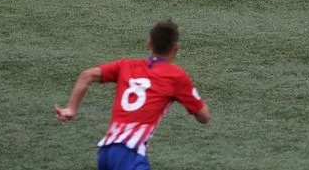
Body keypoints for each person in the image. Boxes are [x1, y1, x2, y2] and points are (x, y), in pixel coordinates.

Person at [55, 19, 210, 170]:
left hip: (105, 153)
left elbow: (86, 75)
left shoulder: (126, 66)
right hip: (129, 154)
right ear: (176, 48)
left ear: (150, 44)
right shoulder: (176, 76)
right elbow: (204, 116)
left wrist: (71, 109)